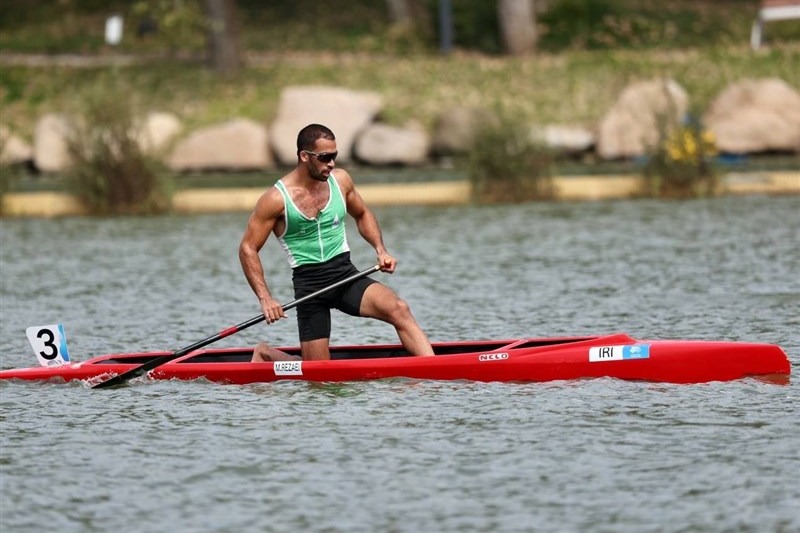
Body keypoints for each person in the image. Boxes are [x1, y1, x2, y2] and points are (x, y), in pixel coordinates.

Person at [239, 123, 435, 362]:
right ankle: (265, 353)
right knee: (318, 377)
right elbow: (248, 248)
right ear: (304, 156)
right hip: (310, 288)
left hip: (345, 276)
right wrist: (265, 299)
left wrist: (380, 250)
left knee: (399, 309)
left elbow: (362, 214)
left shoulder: (340, 181)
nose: (331, 163)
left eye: (334, 156)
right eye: (325, 157)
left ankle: (435, 369)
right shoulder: (276, 199)